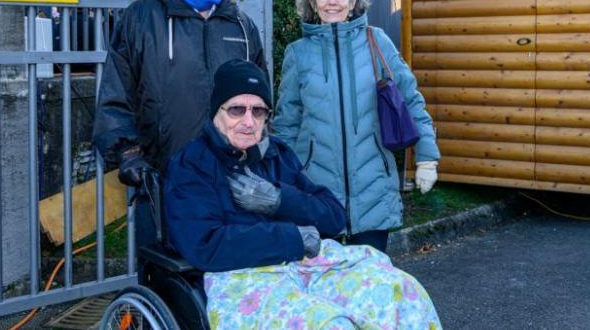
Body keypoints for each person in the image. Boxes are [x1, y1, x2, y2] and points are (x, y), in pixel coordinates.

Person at [165, 60, 442, 329]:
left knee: (401, 293)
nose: (248, 122)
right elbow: (205, 245)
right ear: (217, 112)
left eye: (258, 111)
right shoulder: (193, 165)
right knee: (328, 323)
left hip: (308, 265)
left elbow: (333, 217)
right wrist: (292, 238)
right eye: (237, 110)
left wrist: (280, 200)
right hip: (244, 276)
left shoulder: (277, 154)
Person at [93, 0, 266, 247]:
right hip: (164, 181)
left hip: (231, 184)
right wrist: (128, 154)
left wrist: (258, 153)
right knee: (170, 283)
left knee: (228, 283)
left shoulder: (243, 26)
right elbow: (116, 94)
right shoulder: (140, 18)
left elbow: (261, 102)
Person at [273, 0, 440, 253]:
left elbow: (411, 100)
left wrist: (427, 158)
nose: (332, 2)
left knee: (370, 286)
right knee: (322, 289)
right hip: (316, 191)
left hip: (373, 188)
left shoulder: (378, 42)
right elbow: (286, 123)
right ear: (313, 2)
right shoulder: (297, 54)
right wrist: (280, 178)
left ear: (353, 0)